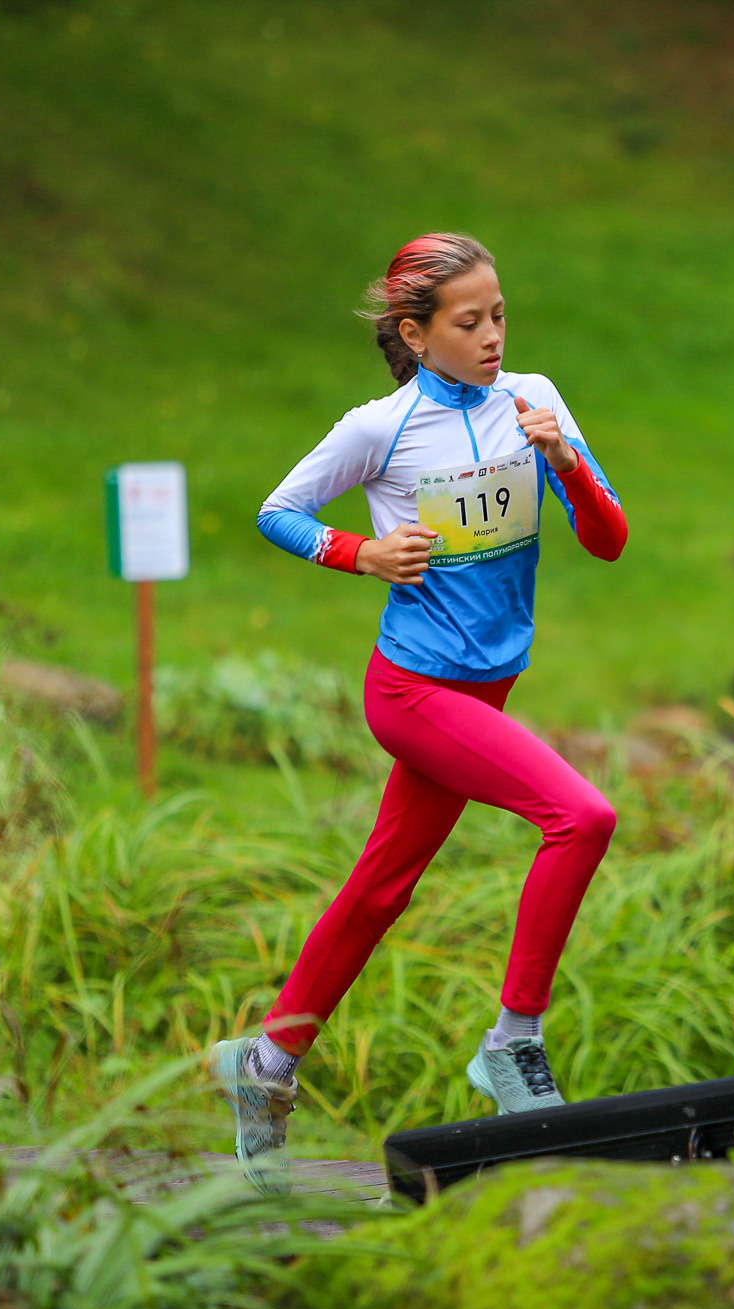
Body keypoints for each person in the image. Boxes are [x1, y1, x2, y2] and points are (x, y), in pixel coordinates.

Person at [208, 233, 628, 1194]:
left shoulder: (538, 401)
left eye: (499, 315)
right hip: (414, 692)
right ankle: (512, 1040)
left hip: (487, 688)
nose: (490, 336)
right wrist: (359, 553)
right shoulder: (380, 428)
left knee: (382, 886)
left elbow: (608, 540)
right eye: (468, 321)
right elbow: (280, 509)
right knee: (582, 816)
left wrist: (563, 459)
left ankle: (266, 1064)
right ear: (416, 331)